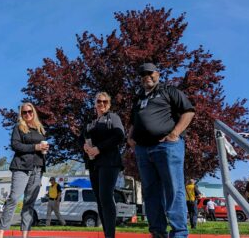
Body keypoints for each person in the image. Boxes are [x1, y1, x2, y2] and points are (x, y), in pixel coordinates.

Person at [127, 63, 195, 238]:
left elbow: (188, 111)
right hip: (143, 150)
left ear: (157, 73)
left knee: (173, 189)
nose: (146, 76)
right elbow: (134, 121)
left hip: (167, 147)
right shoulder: (138, 97)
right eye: (143, 74)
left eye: (150, 73)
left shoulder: (168, 90)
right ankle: (157, 232)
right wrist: (130, 137)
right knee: (150, 192)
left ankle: (179, 233)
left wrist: (175, 133)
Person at [0, 103, 49, 238]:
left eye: (30, 111)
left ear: (34, 112)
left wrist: (44, 149)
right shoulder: (18, 127)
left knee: (29, 202)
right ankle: (1, 233)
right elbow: (15, 145)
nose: (27, 114)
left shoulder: (40, 129)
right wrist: (35, 147)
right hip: (21, 167)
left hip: (37, 168)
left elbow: (41, 147)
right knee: (14, 198)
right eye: (24, 112)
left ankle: (25, 235)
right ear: (21, 114)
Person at [82, 92, 125, 238]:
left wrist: (99, 148)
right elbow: (82, 138)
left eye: (105, 102)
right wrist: (85, 147)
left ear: (109, 104)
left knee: (106, 196)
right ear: (95, 104)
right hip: (94, 164)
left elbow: (120, 136)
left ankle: (110, 235)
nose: (102, 104)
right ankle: (107, 233)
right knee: (100, 199)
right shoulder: (91, 123)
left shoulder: (113, 117)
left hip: (109, 162)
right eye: (99, 101)